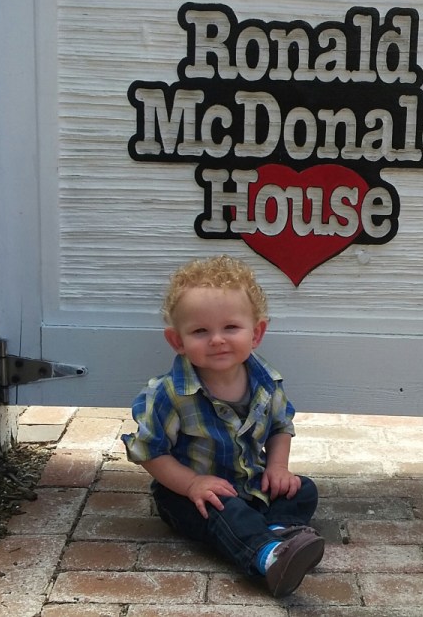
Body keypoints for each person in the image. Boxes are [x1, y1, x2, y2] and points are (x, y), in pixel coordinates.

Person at [121, 255, 324, 597]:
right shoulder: (168, 394)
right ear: (177, 341)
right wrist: (192, 483)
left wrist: (277, 468)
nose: (217, 339)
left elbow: (280, 427)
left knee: (302, 489)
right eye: (200, 331)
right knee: (223, 510)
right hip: (190, 496)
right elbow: (150, 453)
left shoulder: (266, 382)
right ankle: (267, 557)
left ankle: (279, 531)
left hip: (250, 484)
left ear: (256, 332)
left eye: (230, 327)